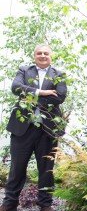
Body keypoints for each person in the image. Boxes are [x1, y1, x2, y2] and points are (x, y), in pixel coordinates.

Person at [0, 44, 67, 211]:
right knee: (17, 167)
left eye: (46, 53)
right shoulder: (24, 70)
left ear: (51, 56)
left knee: (46, 169)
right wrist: (41, 92)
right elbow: (16, 88)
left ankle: (45, 205)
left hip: (48, 128)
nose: (42, 55)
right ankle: (9, 203)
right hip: (22, 127)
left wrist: (29, 94)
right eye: (39, 53)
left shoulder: (59, 74)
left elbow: (60, 96)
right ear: (34, 55)